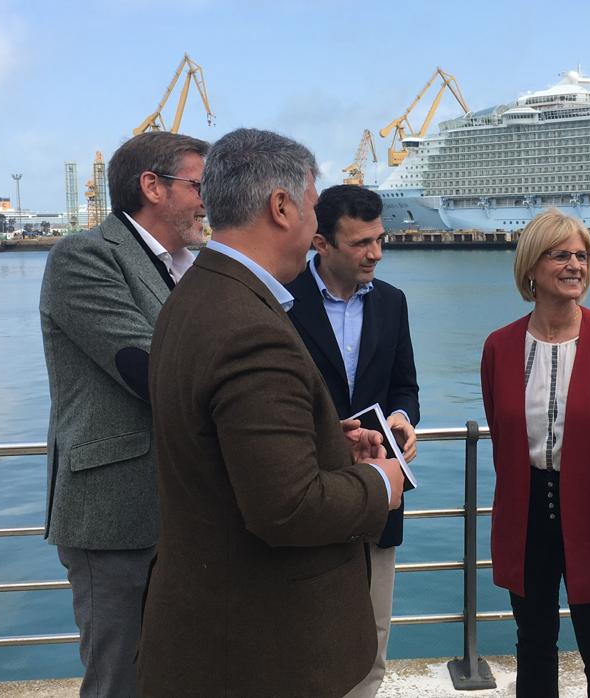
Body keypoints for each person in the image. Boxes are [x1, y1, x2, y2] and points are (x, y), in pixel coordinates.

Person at [138, 128, 406, 696]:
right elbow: (288, 508)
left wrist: (326, 441)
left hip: (209, 626)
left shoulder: (196, 293)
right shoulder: (251, 328)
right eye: (311, 208)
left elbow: (226, 443)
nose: (314, 228)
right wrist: (379, 482)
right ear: (281, 207)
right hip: (266, 648)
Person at [38, 130, 208, 698]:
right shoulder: (85, 257)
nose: (209, 200)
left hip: (188, 510)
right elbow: (147, 368)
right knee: (122, 678)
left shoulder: (194, 267)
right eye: (199, 185)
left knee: (185, 671)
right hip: (116, 512)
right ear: (151, 186)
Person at [480, 208, 590, 697]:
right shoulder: (499, 347)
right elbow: (501, 431)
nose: (576, 265)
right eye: (561, 255)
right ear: (531, 266)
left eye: (584, 255)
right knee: (532, 642)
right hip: (526, 512)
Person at [285, 184, 420, 698]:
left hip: (379, 491)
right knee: (302, 635)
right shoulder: (281, 298)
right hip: (306, 486)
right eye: (362, 243)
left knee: (373, 635)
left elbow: (404, 385)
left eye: (380, 239)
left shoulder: (393, 302)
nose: (376, 254)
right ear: (321, 243)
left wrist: (403, 419)